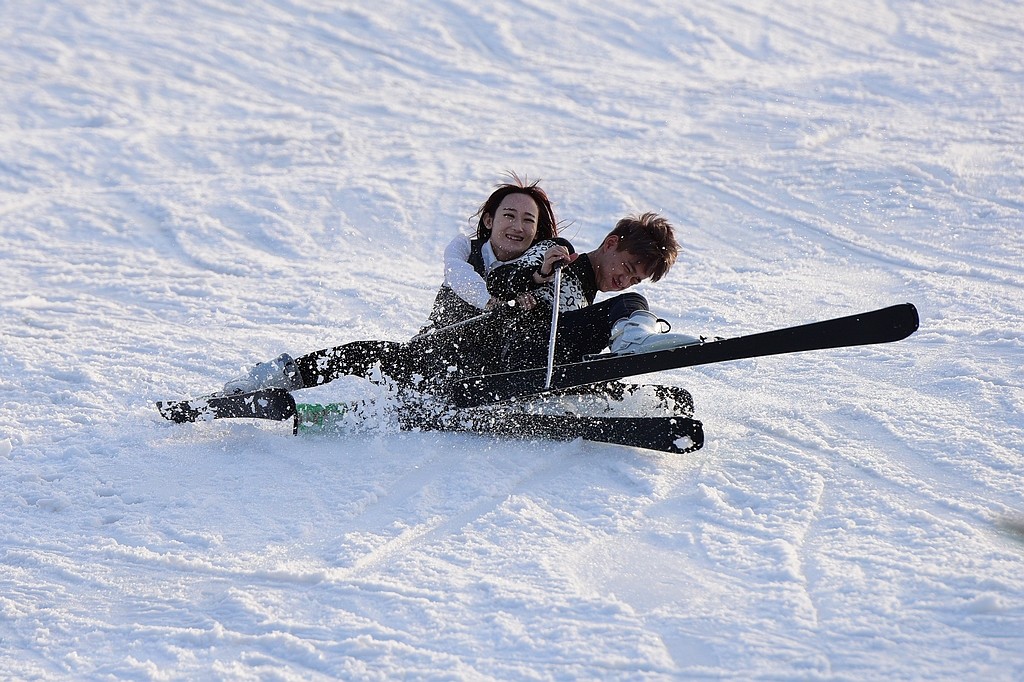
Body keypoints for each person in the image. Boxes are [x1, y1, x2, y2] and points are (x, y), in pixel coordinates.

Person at [220, 213, 696, 398]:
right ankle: (282, 375)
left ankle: (625, 365)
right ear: (612, 243)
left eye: (632, 279)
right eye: (627, 266)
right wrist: (541, 272)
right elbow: (502, 280)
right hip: (482, 347)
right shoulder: (560, 252)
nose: (622, 280)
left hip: (524, 365)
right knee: (384, 358)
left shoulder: (591, 303)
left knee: (594, 352)